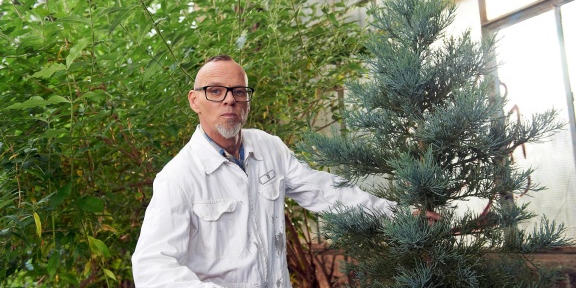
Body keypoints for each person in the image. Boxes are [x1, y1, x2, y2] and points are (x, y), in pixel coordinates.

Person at [131, 55, 438, 287]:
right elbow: (151, 265)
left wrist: (397, 215)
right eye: (215, 91)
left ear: (248, 100)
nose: (229, 99)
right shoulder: (179, 177)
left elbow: (325, 191)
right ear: (194, 100)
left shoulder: (268, 148)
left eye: (239, 91)